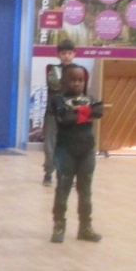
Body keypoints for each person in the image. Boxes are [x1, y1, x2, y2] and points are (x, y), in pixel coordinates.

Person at [49, 62, 105, 244]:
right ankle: (59, 225)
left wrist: (78, 112)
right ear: (64, 81)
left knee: (85, 190)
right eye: (72, 80)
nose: (77, 83)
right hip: (66, 150)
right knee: (63, 188)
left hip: (87, 151)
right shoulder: (57, 100)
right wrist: (87, 113)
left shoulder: (90, 98)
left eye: (80, 80)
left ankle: (85, 227)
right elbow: (65, 118)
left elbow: (99, 111)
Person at [41, 40, 77, 186]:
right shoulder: (52, 69)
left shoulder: (78, 71)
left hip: (70, 114)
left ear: (74, 55)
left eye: (69, 53)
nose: (66, 56)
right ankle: (48, 173)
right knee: (50, 146)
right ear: (58, 55)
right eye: (63, 53)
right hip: (53, 114)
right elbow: (55, 85)